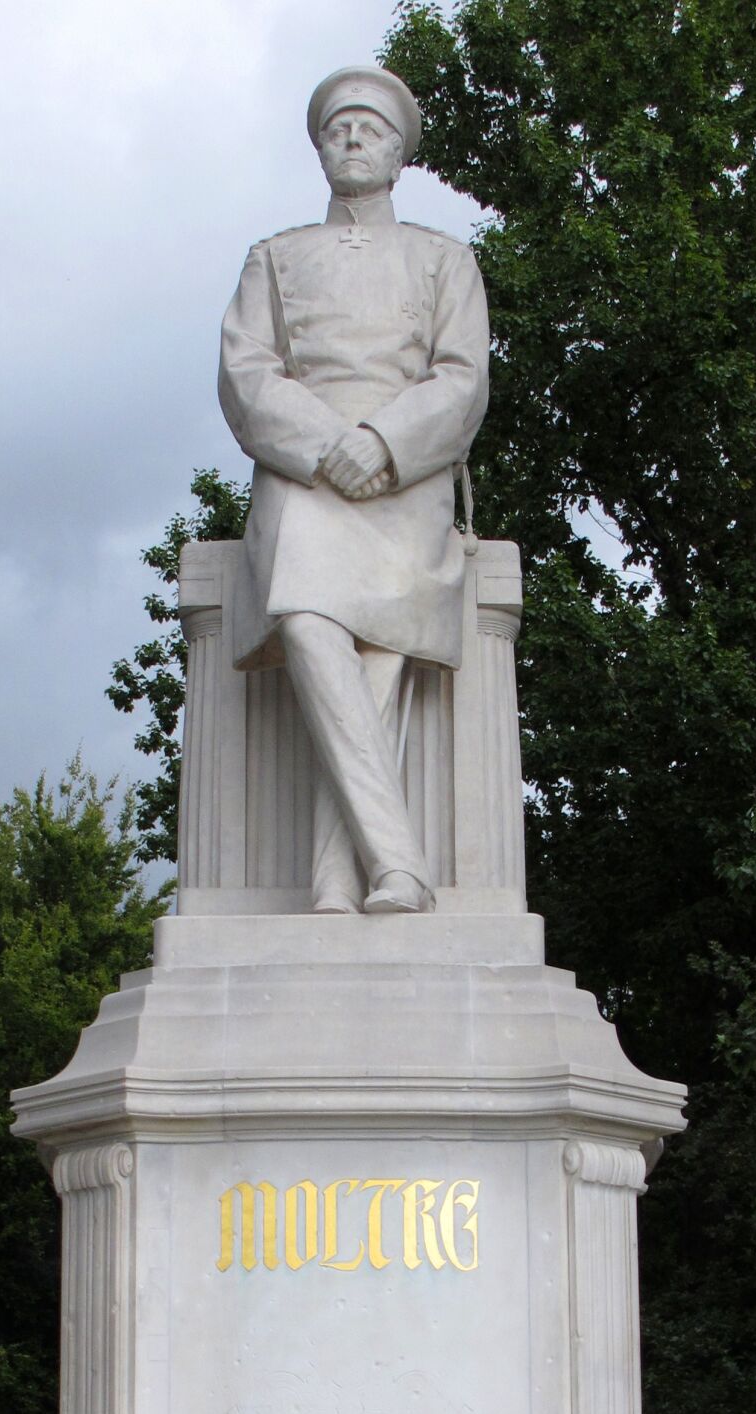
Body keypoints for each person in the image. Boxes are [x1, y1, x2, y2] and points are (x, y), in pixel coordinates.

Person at [218, 65, 490, 915]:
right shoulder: (275, 257)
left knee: (380, 650)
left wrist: (382, 443)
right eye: (338, 130)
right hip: (305, 474)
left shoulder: (445, 261)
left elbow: (462, 377)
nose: (353, 141)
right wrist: (328, 444)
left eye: (370, 130)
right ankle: (396, 857)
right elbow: (245, 373)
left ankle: (344, 881)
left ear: (400, 153)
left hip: (404, 477)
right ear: (321, 148)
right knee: (306, 616)